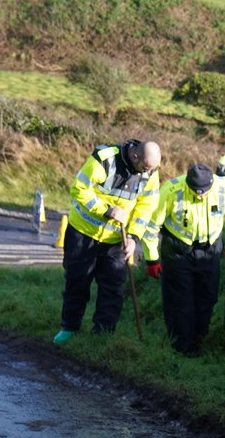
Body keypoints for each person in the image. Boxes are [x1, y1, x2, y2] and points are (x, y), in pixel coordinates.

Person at [54, 139, 162, 344]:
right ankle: (69, 328)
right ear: (135, 155)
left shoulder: (151, 172)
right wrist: (107, 210)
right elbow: (79, 189)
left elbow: (146, 207)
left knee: (113, 287)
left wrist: (133, 237)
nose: (147, 172)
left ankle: (103, 334)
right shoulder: (104, 159)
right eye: (145, 167)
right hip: (83, 232)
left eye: (151, 169)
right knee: (77, 281)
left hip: (116, 241)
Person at [142, 163, 225, 355]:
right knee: (180, 301)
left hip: (209, 249)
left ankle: (200, 342)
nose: (200, 195)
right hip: (177, 250)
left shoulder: (224, 189)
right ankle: (181, 347)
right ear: (188, 184)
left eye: (203, 192)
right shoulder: (171, 190)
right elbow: (150, 226)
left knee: (207, 297)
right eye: (195, 192)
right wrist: (152, 259)